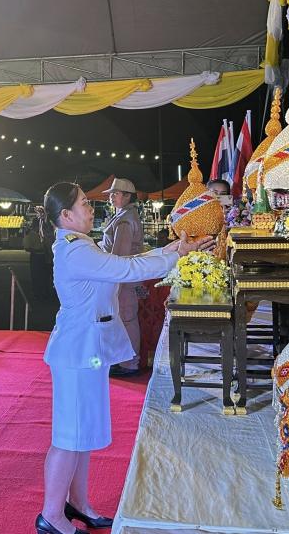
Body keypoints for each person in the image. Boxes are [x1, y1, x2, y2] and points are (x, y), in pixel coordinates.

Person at [35, 182, 213, 534]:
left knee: (83, 434)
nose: (91, 208)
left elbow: (125, 263)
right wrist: (176, 254)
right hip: (77, 352)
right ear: (66, 215)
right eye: (84, 204)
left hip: (88, 350)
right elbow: (125, 269)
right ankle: (51, 515)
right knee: (69, 436)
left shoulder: (80, 244)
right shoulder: (74, 250)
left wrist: (172, 248)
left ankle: (78, 504)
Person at [99, 177, 145, 376]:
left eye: (115, 193)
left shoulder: (125, 219)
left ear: (127, 196)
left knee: (126, 319)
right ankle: (126, 361)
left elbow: (119, 254)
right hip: (126, 276)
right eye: (111, 194)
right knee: (125, 318)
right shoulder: (124, 215)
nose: (111, 197)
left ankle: (130, 363)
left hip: (123, 277)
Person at [24, 215, 49, 300]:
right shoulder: (31, 234)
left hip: (44, 256)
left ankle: (43, 292)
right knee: (36, 275)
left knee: (44, 276)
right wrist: (37, 250)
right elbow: (27, 247)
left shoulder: (43, 233)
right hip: (36, 256)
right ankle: (37, 293)